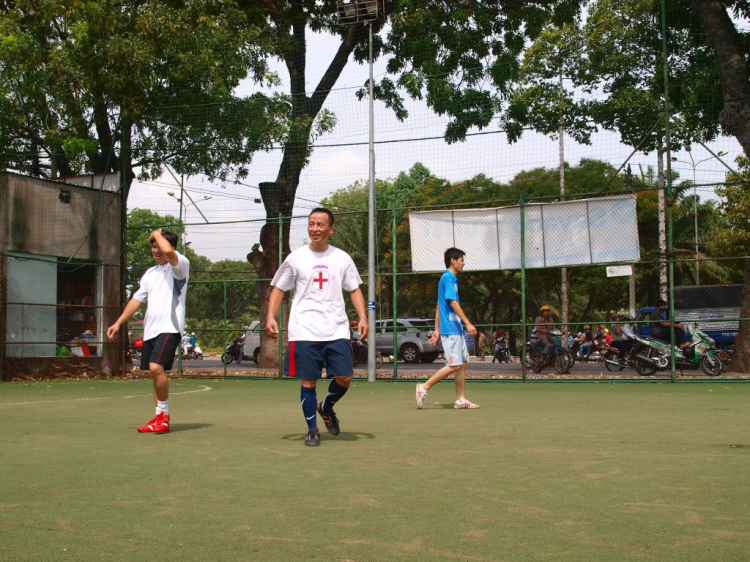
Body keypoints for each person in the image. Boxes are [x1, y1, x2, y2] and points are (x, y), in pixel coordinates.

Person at [266, 208, 367, 447]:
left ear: (331, 229)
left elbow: (354, 289)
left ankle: (326, 407)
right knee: (308, 381)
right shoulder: (296, 258)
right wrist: (271, 315)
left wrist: (362, 317)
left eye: (321, 225)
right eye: (311, 224)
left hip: (336, 330)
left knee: (344, 377)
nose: (315, 229)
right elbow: (280, 288)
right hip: (304, 330)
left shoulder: (341, 258)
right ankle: (312, 430)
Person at [107, 229, 189, 433]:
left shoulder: (179, 265)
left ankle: (164, 416)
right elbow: (137, 300)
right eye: (153, 247)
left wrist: (156, 233)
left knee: (155, 367)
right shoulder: (150, 274)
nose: (156, 250)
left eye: (158, 246)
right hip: (151, 330)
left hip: (170, 327)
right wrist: (119, 323)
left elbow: (168, 250)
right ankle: (159, 417)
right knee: (154, 373)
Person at [416, 248, 479, 410]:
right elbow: (452, 303)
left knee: (463, 363)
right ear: (453, 260)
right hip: (451, 330)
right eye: (461, 260)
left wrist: (436, 330)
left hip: (454, 329)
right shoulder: (448, 278)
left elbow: (439, 306)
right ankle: (424, 387)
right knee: (454, 365)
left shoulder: (450, 279)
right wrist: (467, 322)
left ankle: (460, 399)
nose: (463, 263)